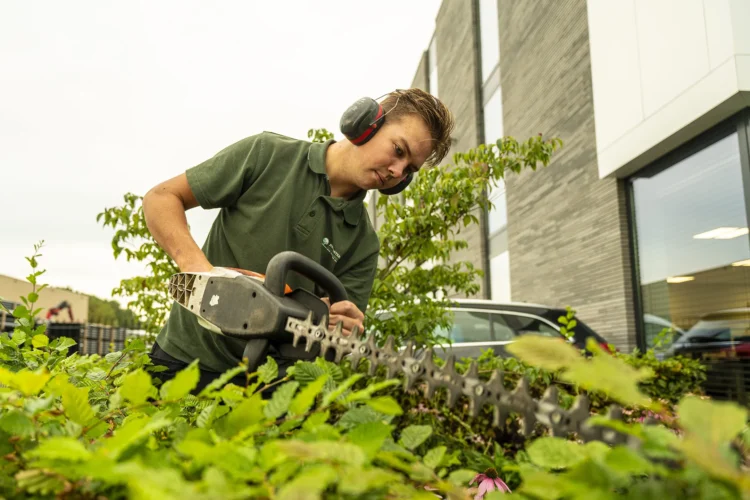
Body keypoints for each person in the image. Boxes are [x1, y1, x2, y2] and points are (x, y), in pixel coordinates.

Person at [142, 88, 455, 391]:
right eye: (398, 151)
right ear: (365, 124)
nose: (396, 171)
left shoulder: (363, 243)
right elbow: (161, 198)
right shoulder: (268, 155)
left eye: (409, 169)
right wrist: (199, 271)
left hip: (266, 385)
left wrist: (340, 329)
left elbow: (333, 330)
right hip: (181, 359)